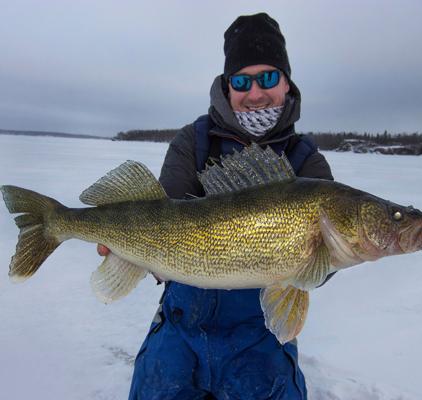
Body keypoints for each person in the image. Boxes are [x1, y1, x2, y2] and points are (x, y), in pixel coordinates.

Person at [99, 13, 333, 399]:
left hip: (260, 335)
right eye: (241, 81)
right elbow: (163, 208)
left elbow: (317, 275)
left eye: (269, 78)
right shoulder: (195, 141)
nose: (255, 93)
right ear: (227, 88)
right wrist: (127, 248)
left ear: (287, 82)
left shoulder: (306, 162)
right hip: (181, 322)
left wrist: (319, 261)